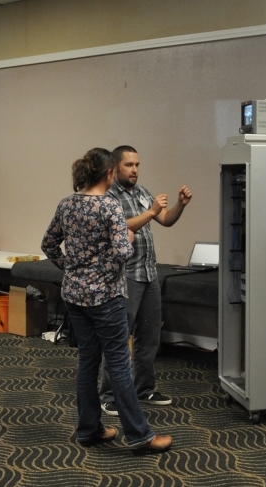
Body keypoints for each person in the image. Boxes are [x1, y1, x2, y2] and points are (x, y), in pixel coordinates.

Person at [41, 147, 172, 453]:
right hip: (106, 297)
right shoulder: (109, 206)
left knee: (88, 362)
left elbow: (48, 244)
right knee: (119, 364)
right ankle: (140, 435)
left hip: (74, 296)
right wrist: (128, 238)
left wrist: (70, 269)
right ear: (110, 173)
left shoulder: (67, 204)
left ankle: (89, 430)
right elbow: (124, 253)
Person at [99, 145, 192, 416]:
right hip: (124, 276)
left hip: (148, 275)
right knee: (118, 339)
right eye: (129, 165)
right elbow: (120, 226)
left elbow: (166, 220)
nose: (135, 170)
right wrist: (150, 212)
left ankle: (143, 388)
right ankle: (108, 395)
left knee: (149, 337)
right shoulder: (108, 196)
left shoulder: (141, 192)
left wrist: (180, 206)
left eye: (137, 164)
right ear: (115, 168)